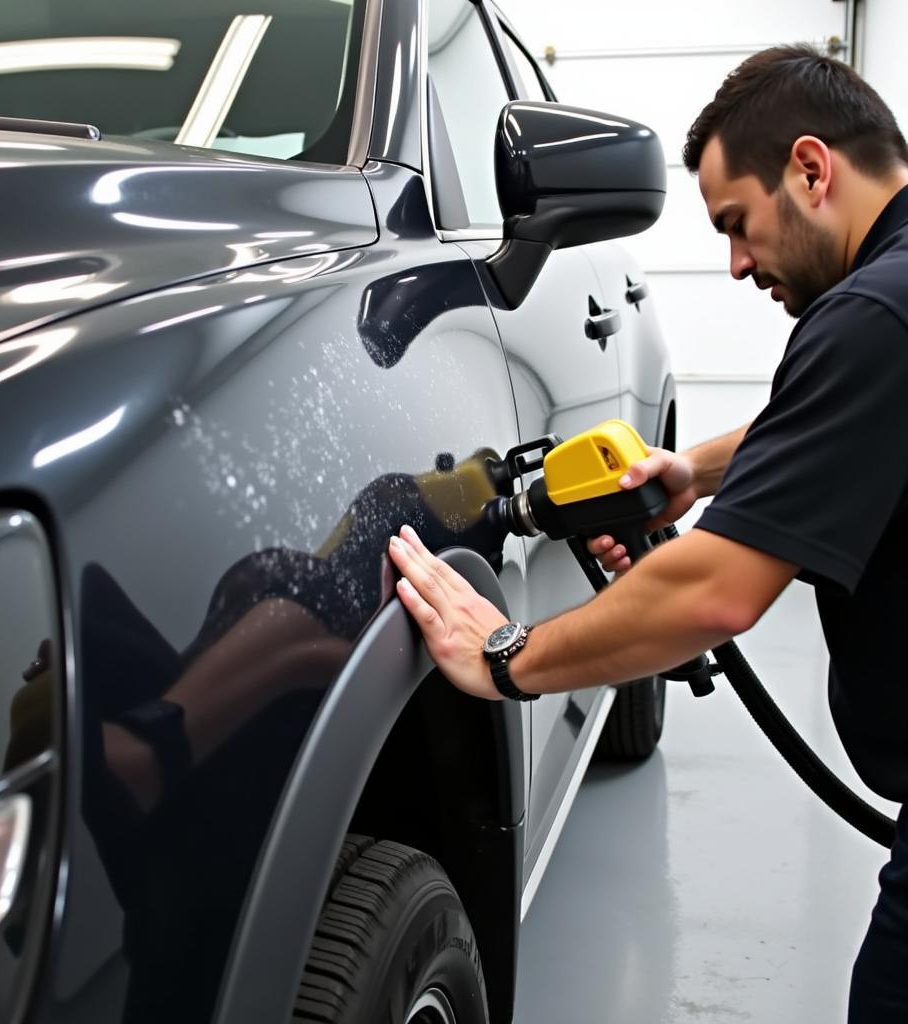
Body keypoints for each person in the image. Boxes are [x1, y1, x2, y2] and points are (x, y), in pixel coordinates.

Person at [387, 44, 908, 1023]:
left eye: (736, 226)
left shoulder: (872, 314)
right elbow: (841, 414)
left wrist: (506, 655)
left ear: (809, 168)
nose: (736, 264)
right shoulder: (892, 301)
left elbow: (713, 594)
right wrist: (697, 472)